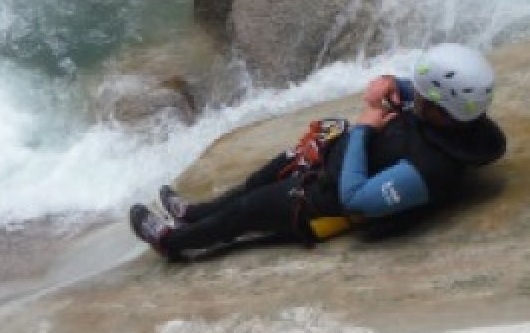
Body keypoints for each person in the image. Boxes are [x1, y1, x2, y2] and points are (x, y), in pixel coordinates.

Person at [129, 43, 507, 259]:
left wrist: (362, 129)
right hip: (334, 161)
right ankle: (193, 213)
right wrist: (396, 85)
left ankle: (174, 243)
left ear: (441, 109)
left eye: (422, 95)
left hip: (325, 201)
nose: (416, 96)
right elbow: (428, 100)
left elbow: (356, 199)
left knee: (248, 211)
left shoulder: (428, 170)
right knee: (259, 179)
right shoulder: (460, 121)